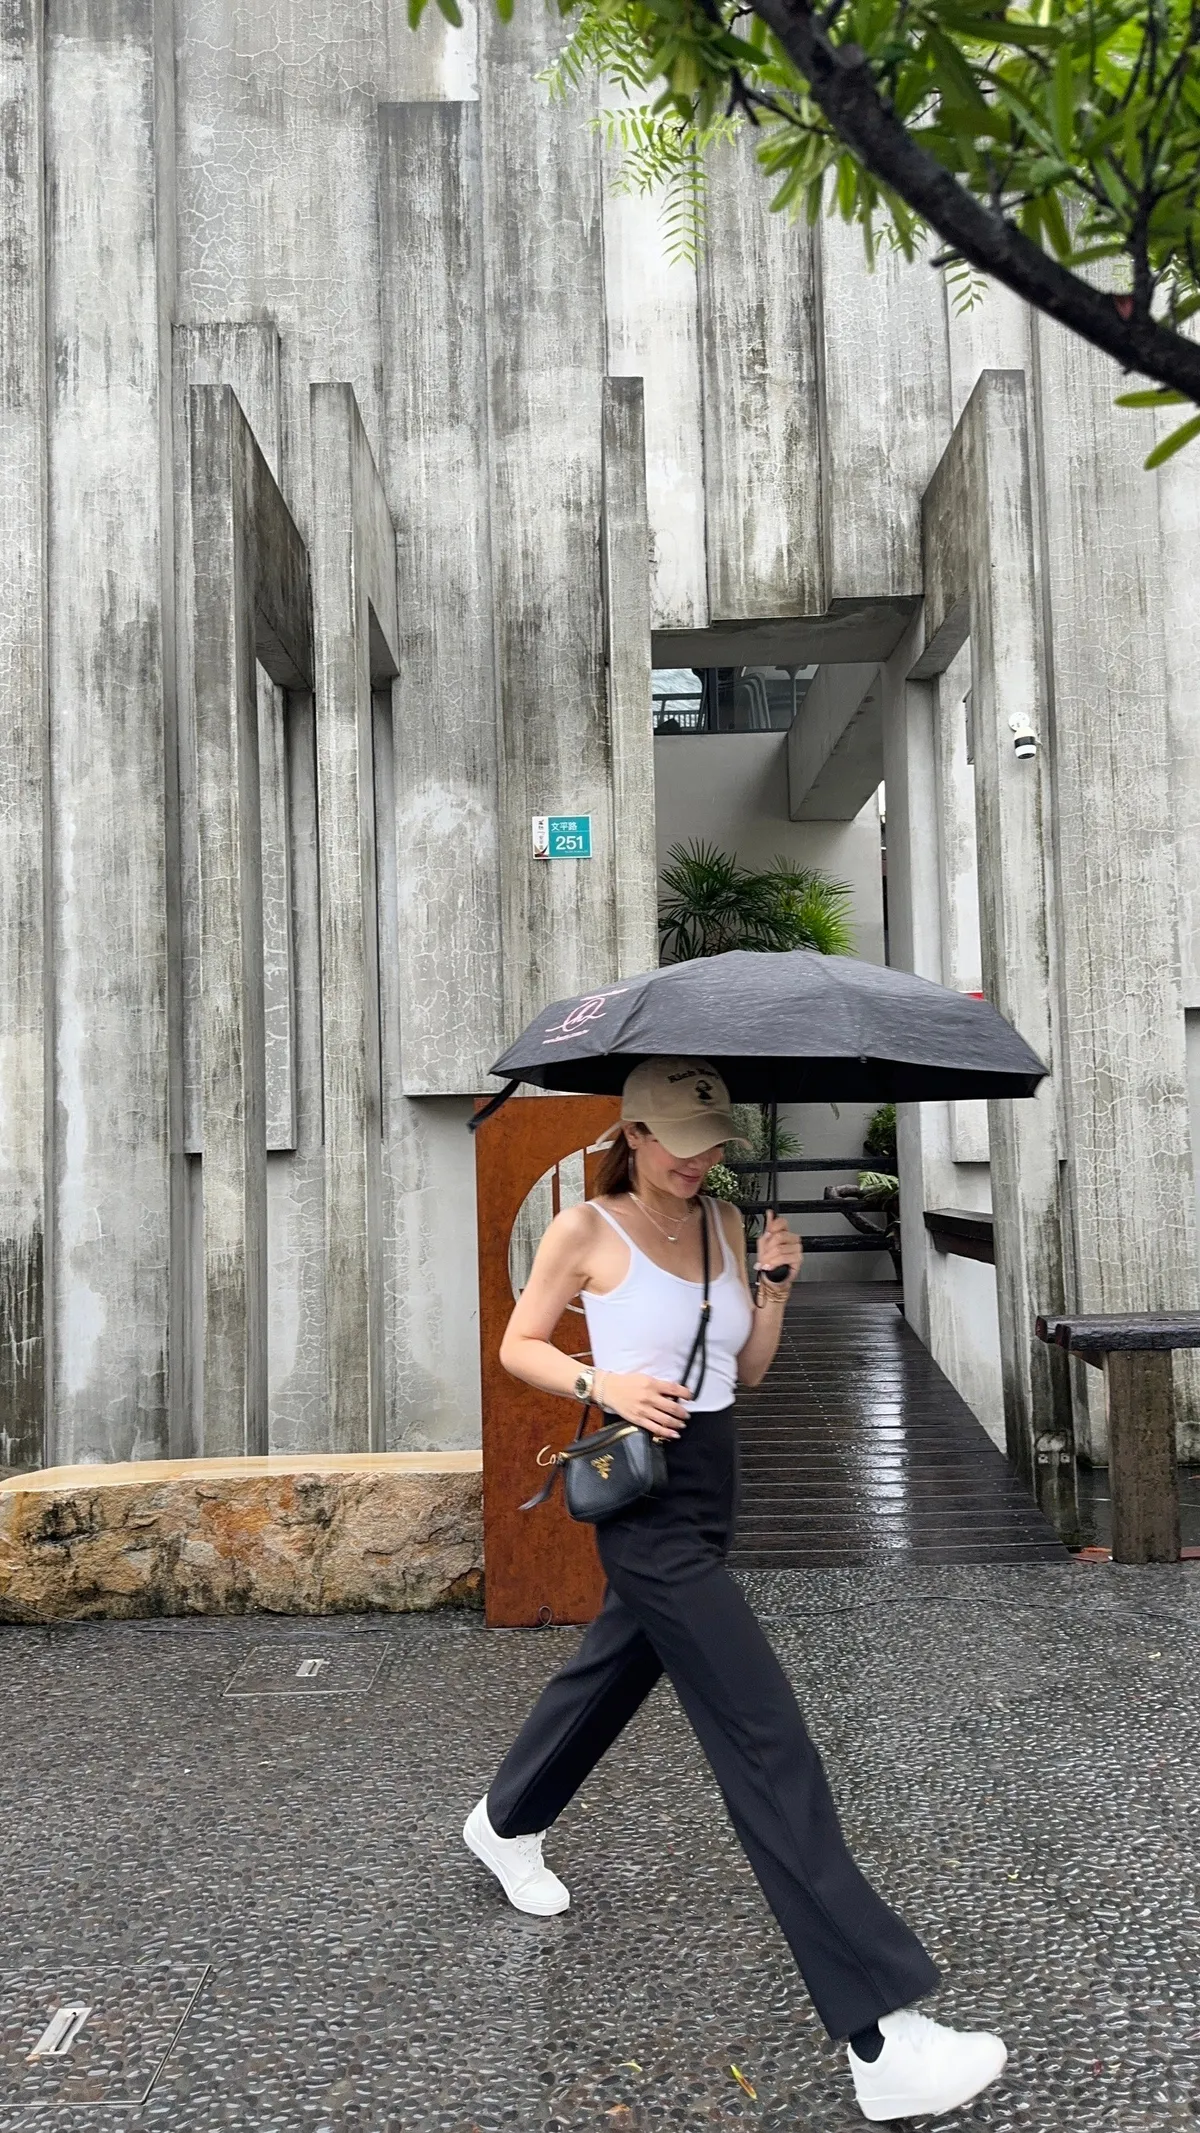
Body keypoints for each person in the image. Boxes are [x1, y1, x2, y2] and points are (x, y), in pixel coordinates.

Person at [463, 1058, 1007, 2123]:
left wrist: (774, 1288)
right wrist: (605, 1381)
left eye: (712, 1140)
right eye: (678, 1140)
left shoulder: (720, 1220)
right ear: (633, 1132)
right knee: (767, 1739)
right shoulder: (588, 1229)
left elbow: (746, 1372)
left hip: (713, 1484)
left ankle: (505, 1818)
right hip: (645, 1504)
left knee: (615, 1669)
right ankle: (880, 2034)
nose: (698, 1157)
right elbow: (518, 1343)